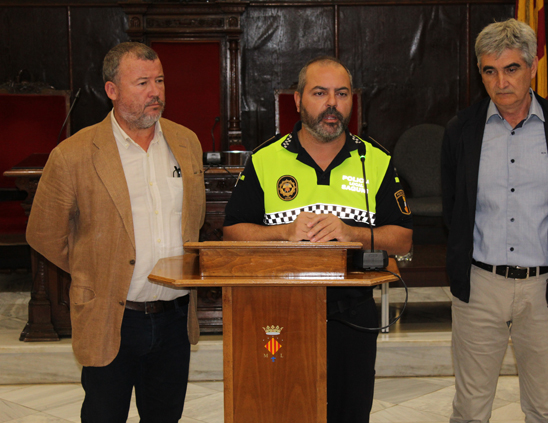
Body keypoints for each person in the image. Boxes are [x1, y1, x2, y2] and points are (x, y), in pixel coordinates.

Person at [223, 56, 413, 423]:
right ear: (297, 100)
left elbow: (402, 239)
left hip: (353, 314)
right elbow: (232, 232)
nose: (332, 104)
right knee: (282, 411)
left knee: (350, 413)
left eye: (341, 94)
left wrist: (351, 233)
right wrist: (283, 233)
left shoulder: (375, 160)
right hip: (280, 311)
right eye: (320, 93)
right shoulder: (265, 159)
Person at [26, 42, 206, 422]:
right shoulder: (74, 154)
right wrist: (94, 269)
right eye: (142, 83)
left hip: (174, 317)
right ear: (112, 90)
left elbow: (195, 218)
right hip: (111, 317)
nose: (155, 92)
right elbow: (44, 232)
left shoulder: (187, 143)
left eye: (159, 80)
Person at [441, 19, 548, 423]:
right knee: (470, 409)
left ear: (532, 67)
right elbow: (453, 208)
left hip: (543, 288)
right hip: (480, 285)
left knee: (544, 408)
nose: (501, 82)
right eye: (489, 71)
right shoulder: (461, 130)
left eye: (511, 68)